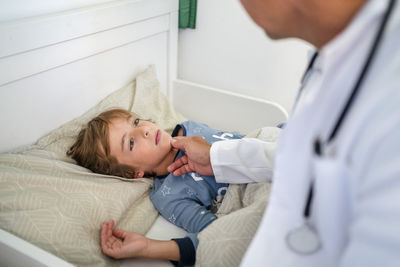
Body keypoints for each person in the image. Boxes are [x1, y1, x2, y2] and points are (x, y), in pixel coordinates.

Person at [167, 0, 400, 267]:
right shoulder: (332, 54)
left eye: (139, 124)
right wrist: (216, 158)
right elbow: (301, 157)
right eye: (129, 142)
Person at [67, 108, 244, 266]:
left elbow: (250, 144)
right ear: (134, 173)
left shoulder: (190, 129)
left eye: (136, 122)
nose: (144, 129)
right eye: (130, 143)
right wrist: (149, 248)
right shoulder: (168, 195)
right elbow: (217, 236)